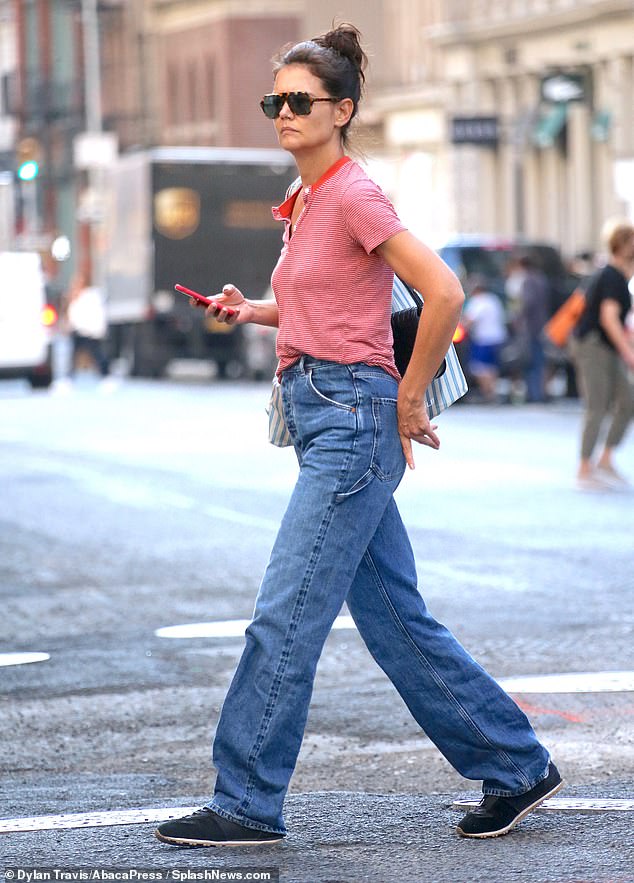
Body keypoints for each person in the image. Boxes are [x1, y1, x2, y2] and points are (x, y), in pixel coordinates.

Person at [155, 24, 562, 848]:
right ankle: (515, 764)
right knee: (395, 621)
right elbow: (334, 304)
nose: (283, 112)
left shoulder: (352, 193)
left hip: (351, 420)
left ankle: (245, 800)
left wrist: (411, 400)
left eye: (301, 100)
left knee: (284, 614)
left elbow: (442, 291)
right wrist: (255, 308)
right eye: (275, 100)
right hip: (323, 414)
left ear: (342, 110)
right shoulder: (308, 201)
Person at [571, 220, 634, 489]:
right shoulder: (609, 275)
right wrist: (629, 354)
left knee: (628, 399)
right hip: (594, 346)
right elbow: (609, 319)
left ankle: (605, 459)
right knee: (597, 405)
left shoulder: (619, 276)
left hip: (607, 346)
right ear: (620, 245)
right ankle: (585, 467)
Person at [462, 274, 507, 402]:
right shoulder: (494, 299)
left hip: (483, 339)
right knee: (492, 367)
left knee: (478, 368)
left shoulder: (478, 302)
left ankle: (489, 394)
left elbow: (469, 320)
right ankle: (492, 391)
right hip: (498, 338)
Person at [515, 254, 550, 403]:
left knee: (530, 362)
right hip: (542, 324)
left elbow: (527, 303)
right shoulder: (541, 279)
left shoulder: (528, 280)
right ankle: (539, 393)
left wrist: (518, 317)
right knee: (539, 361)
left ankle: (533, 394)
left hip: (530, 326)